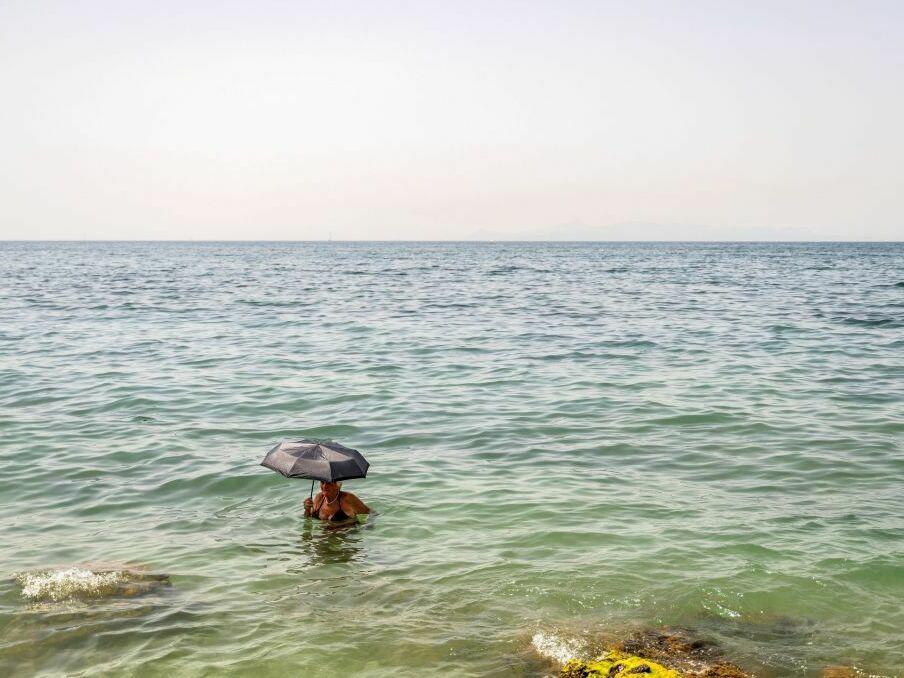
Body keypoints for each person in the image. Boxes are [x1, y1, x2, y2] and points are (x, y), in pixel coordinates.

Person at [303, 480, 370, 522]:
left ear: (338, 485)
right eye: (322, 482)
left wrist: (369, 525)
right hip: (324, 537)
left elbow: (370, 512)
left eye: (329, 483)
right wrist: (307, 510)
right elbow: (308, 519)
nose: (324, 486)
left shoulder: (348, 498)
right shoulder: (319, 497)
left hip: (347, 538)